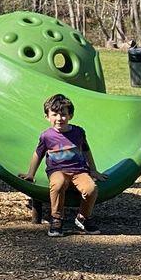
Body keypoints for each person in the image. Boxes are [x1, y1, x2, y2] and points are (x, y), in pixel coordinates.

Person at [20, 93, 108, 237]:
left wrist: (93, 170)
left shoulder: (78, 132)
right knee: (58, 184)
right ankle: (56, 219)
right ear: (47, 117)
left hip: (79, 171)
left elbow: (86, 150)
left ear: (70, 115)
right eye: (54, 114)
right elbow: (38, 154)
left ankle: (83, 217)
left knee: (91, 188)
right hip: (57, 170)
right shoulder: (46, 136)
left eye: (63, 114)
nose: (59, 118)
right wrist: (31, 174)